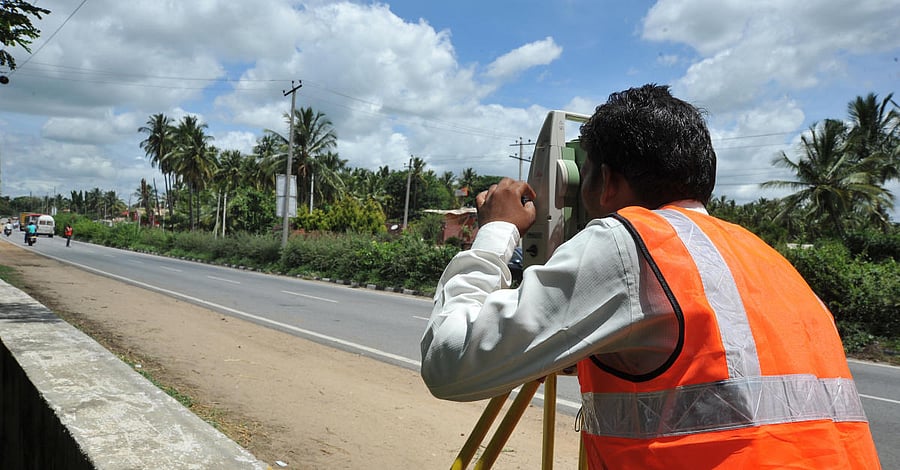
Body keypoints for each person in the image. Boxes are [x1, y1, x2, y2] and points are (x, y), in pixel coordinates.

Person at [420, 84, 880, 469]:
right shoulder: (767, 258)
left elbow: (451, 363)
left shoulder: (630, 243)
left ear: (606, 183)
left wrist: (497, 230)